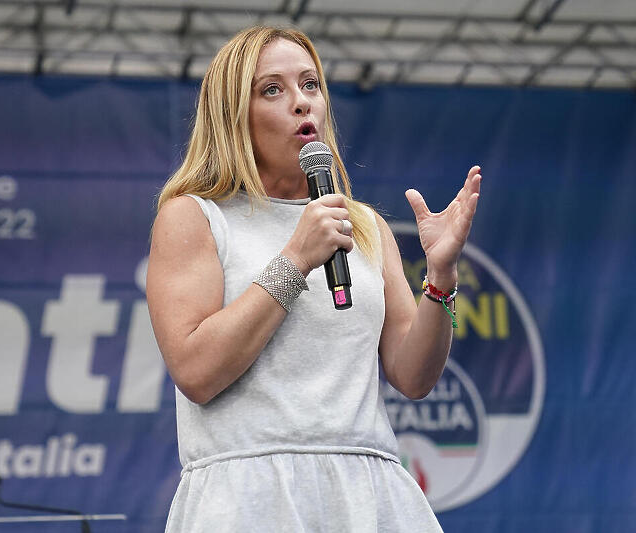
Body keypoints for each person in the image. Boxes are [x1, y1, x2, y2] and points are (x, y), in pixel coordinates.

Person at [146, 25, 481, 532]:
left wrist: (440, 277)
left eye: (310, 85)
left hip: (369, 495)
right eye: (272, 89)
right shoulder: (195, 216)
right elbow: (196, 371)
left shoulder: (364, 226)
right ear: (233, 114)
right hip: (250, 497)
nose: (302, 103)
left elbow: (414, 377)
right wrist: (296, 260)